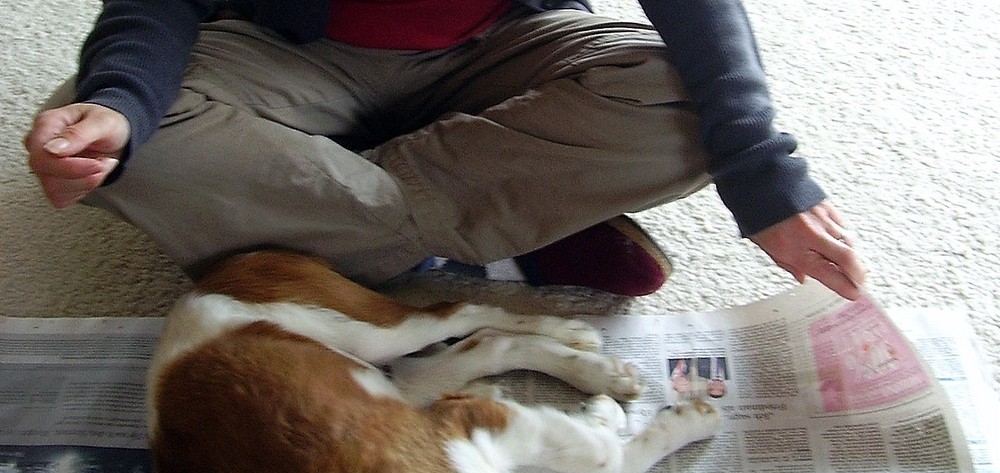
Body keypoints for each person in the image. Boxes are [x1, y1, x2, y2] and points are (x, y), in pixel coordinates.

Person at [24, 0, 866, 299]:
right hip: (289, 50)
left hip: (497, 49)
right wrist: (119, 105)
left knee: (678, 106)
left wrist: (762, 175)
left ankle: (307, 210)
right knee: (110, 129)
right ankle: (510, 234)